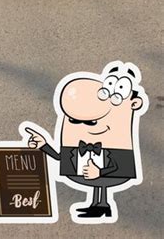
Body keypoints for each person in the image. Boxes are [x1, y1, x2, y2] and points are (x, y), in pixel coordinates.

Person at [26, 61, 148, 222]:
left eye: (91, 122)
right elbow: (61, 157)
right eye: (74, 121)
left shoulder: (118, 145)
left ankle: (102, 205)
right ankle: (98, 205)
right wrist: (44, 145)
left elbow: (119, 167)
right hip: (90, 169)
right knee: (97, 182)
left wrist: (100, 172)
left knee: (101, 181)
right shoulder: (77, 144)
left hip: (106, 172)